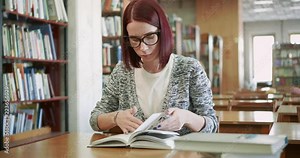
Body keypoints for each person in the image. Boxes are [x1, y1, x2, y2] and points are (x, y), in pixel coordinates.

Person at [89, 0, 218, 135]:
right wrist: (115, 117)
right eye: (134, 39)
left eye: (150, 37)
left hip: (179, 154)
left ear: (163, 33)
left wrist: (187, 118)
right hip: (134, 154)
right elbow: (94, 120)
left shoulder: (190, 69)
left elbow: (212, 126)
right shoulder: (122, 71)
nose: (143, 48)